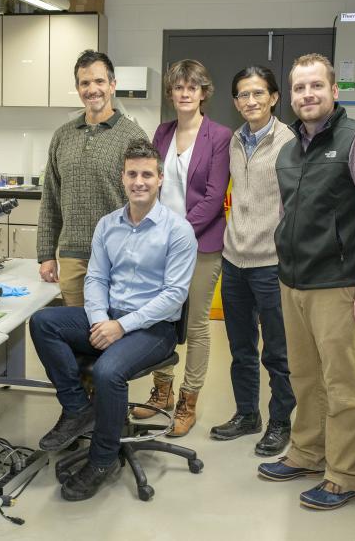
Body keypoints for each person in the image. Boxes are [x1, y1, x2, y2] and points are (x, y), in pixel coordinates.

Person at [257, 53, 355, 511]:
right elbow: (288, 213)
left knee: (343, 384)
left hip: (339, 283)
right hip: (294, 281)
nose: (308, 95)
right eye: (300, 88)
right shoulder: (289, 149)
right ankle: (308, 452)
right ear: (291, 97)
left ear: (334, 90)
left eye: (316, 86)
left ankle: (346, 473)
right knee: (305, 377)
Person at [29, 139, 197, 501]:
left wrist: (121, 326)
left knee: (107, 371)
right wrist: (100, 319)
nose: (139, 181)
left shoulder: (179, 231)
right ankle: (77, 409)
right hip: (110, 317)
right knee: (44, 323)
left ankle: (102, 459)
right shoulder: (108, 225)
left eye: (147, 174)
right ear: (122, 177)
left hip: (154, 328)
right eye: (132, 174)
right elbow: (96, 279)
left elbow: (174, 296)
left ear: (159, 180)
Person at [130, 60, 231, 437]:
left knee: (195, 323)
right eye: (178, 87)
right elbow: (151, 184)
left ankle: (189, 399)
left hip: (201, 244)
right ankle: (162, 392)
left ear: (204, 93)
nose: (185, 93)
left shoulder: (219, 136)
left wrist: (177, 235)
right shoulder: (162, 132)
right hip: (159, 241)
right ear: (171, 93)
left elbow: (213, 195)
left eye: (193, 87)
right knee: (160, 317)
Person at [209, 66, 297, 457]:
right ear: (235, 101)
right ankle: (248, 414)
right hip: (234, 260)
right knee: (241, 346)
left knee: (276, 350)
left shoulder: (289, 142)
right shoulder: (232, 141)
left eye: (259, 93)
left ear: (274, 97)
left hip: (271, 263)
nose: (251, 101)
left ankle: (280, 420)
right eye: (243, 95)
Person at [37, 50, 148, 306]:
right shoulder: (62, 136)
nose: (92, 89)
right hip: (72, 257)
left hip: (118, 256)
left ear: (112, 85)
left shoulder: (133, 136)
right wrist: (46, 255)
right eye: (85, 83)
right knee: (77, 332)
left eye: (99, 81)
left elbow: (146, 201)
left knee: (112, 334)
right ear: (77, 88)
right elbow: (50, 200)